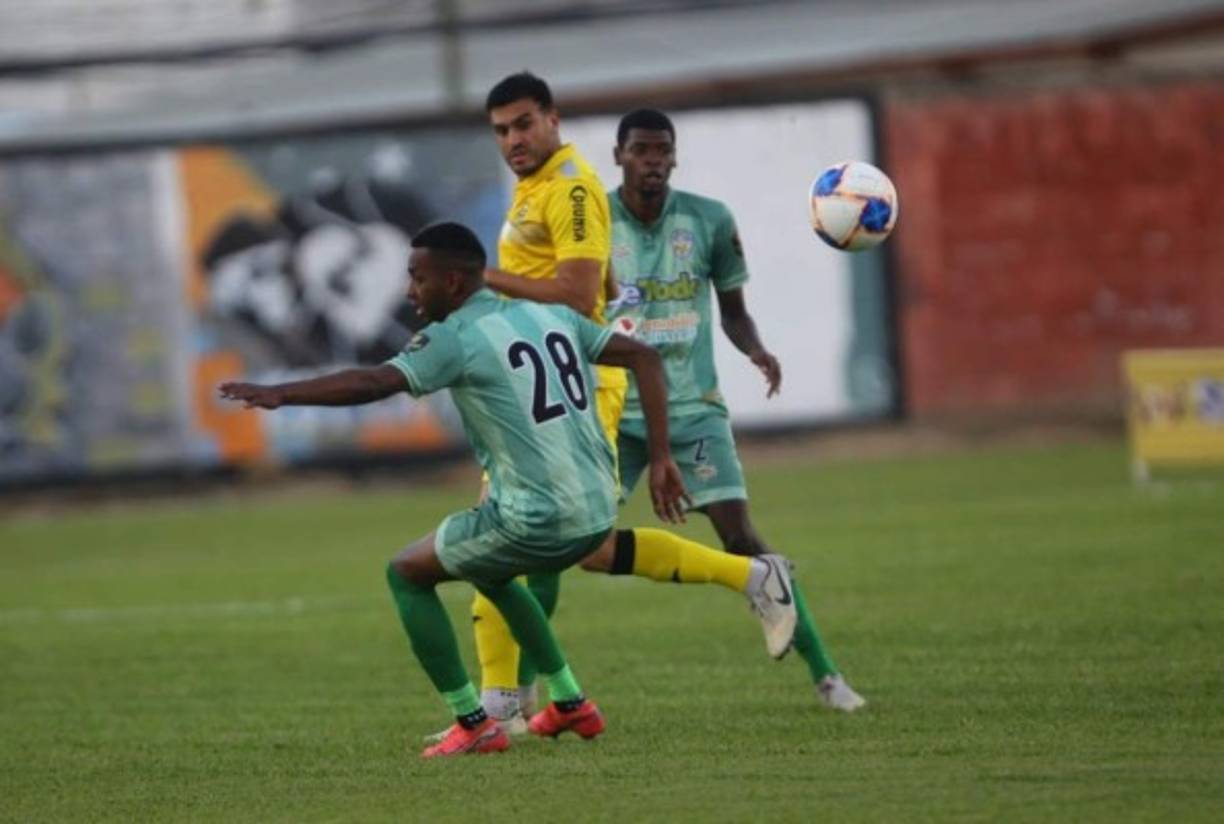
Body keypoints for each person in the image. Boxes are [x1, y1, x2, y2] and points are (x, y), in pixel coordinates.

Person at [218, 222, 694, 757]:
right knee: (489, 570)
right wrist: (661, 458)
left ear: (452, 281)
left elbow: (375, 382)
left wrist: (282, 393)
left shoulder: (455, 338)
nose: (409, 291)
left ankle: (474, 722)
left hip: (540, 520)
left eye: (418, 278)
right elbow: (645, 357)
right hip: (599, 510)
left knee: (406, 573)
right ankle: (569, 699)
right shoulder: (548, 314)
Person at [470, 73, 799, 732]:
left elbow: (574, 292)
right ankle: (509, 704)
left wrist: (478, 278)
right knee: (558, 547)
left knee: (504, 537)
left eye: (524, 124)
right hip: (548, 387)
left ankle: (498, 711)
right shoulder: (539, 185)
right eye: (501, 130)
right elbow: (600, 282)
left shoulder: (570, 188)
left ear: (553, 119)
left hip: (578, 394)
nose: (512, 140)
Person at [591, 108, 866, 711]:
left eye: (662, 150)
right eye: (641, 150)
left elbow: (734, 312)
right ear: (619, 156)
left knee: (741, 536)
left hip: (694, 408)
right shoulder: (594, 226)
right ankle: (527, 691)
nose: (653, 161)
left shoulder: (709, 220)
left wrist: (756, 349)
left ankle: (827, 677)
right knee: (564, 539)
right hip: (611, 413)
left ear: (674, 156)